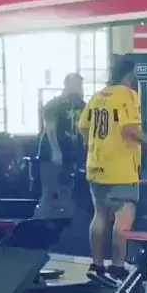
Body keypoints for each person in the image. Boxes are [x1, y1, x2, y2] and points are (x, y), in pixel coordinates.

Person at [78, 57, 147, 285]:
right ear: (129, 76)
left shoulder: (98, 96)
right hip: (120, 169)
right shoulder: (127, 95)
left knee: (100, 215)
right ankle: (117, 268)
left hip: (96, 166)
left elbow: (83, 127)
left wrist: (95, 146)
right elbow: (130, 129)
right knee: (124, 218)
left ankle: (97, 266)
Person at [37, 73, 86, 213]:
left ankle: (63, 222)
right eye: (76, 84)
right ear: (67, 85)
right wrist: (55, 150)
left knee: (67, 190)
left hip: (70, 153)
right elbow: (50, 128)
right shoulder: (54, 104)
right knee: (49, 190)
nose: (79, 87)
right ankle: (40, 220)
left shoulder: (82, 106)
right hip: (51, 151)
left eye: (80, 84)